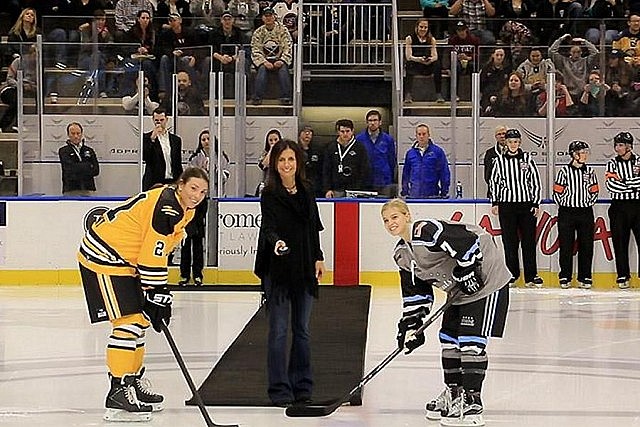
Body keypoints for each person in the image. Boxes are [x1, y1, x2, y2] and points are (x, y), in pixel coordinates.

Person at [77, 167, 209, 422]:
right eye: (193, 188)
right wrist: (157, 291)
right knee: (128, 322)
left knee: (140, 321)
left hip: (124, 260)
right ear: (180, 185)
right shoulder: (168, 207)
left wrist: (159, 294)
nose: (197, 195)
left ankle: (131, 381)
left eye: (202, 192)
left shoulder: (184, 208)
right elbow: (152, 255)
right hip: (104, 257)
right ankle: (118, 392)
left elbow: (158, 252)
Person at [381, 198, 510, 427]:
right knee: (448, 339)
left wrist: (467, 268)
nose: (391, 223)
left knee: (470, 341)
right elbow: (416, 295)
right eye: (386, 220)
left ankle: (472, 400)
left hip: (487, 281)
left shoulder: (426, 230)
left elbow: (469, 241)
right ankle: (454, 393)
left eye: (395, 217)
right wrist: (411, 326)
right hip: (458, 292)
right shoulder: (402, 255)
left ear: (407, 216)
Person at [253, 139, 326, 407]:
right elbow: (269, 228)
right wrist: (278, 244)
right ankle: (279, 389)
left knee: (302, 330)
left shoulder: (307, 190)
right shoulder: (269, 193)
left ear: (298, 162)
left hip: (305, 266)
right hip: (278, 269)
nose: (286, 165)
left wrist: (318, 257)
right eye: (282, 160)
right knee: (279, 330)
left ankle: (302, 386)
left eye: (291, 160)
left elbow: (312, 228)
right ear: (275, 163)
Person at [489, 128, 543, 288]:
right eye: (511, 142)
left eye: (516, 142)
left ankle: (531, 276)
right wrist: (495, 202)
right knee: (509, 241)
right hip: (507, 206)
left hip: (526, 206)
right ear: (506, 142)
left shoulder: (527, 159)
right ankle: (511, 274)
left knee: (528, 241)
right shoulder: (499, 161)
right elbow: (494, 182)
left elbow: (535, 181)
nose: (513, 144)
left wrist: (535, 203)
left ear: (519, 143)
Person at [179, 129, 230, 286]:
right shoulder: (195, 158)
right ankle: (184, 274)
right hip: (191, 202)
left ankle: (198, 274)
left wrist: (213, 170)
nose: (206, 142)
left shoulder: (221, 157)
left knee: (198, 238)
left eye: (208, 139)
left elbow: (225, 176)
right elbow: (188, 178)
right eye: (203, 139)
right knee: (187, 238)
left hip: (206, 200)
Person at [553, 140, 599, 289]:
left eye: (586, 152)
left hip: (585, 212)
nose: (585, 155)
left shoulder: (590, 171)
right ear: (574, 154)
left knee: (586, 245)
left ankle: (585, 276)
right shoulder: (564, 171)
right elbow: (557, 193)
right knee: (566, 245)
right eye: (582, 152)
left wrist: (586, 202)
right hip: (567, 212)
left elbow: (594, 191)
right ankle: (565, 276)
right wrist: (567, 203)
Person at [605, 131, 640, 289]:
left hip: (637, 206)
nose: (617, 148)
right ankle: (622, 275)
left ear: (629, 147)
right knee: (620, 243)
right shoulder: (612, 163)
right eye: (616, 145)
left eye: (620, 145)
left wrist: (624, 181)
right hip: (618, 207)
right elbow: (612, 185)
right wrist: (632, 183)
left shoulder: (639, 161)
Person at [250, 7, 293, 105]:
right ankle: (257, 97)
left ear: (275, 17)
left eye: (270, 16)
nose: (268, 18)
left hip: (280, 60)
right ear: (263, 18)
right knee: (261, 69)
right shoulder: (258, 32)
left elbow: (288, 46)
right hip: (264, 60)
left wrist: (282, 60)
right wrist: (264, 61)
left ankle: (286, 97)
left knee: (283, 70)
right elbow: (255, 49)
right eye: (266, 16)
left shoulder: (283, 30)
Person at [322, 118, 371, 198]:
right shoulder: (331, 147)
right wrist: (327, 189)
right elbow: (326, 169)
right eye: (342, 131)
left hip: (354, 190)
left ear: (352, 131)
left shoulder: (359, 147)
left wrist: (360, 188)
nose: (345, 134)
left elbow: (364, 169)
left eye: (348, 131)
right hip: (336, 189)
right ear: (338, 132)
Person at [400, 123, 450, 199]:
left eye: (424, 134)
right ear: (416, 136)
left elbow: (444, 172)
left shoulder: (437, 152)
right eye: (419, 134)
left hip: (432, 195)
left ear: (428, 135)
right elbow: (406, 174)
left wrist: (444, 192)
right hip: (414, 195)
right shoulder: (410, 153)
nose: (421, 137)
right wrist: (405, 191)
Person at [355, 110, 397, 197]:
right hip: (365, 181)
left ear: (380, 122)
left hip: (383, 180)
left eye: (375, 120)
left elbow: (392, 160)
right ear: (367, 122)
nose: (372, 123)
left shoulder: (388, 139)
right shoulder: (359, 139)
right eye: (370, 120)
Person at [142, 108, 184, 191]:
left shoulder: (176, 140)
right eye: (157, 120)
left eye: (162, 120)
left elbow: (178, 163)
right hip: (154, 181)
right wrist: (152, 139)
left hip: (172, 181)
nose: (159, 123)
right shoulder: (147, 138)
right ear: (153, 120)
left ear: (166, 119)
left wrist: (180, 180)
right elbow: (146, 157)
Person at [404, 18, 443, 104]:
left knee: (437, 64)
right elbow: (408, 56)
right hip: (415, 63)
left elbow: (435, 56)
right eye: (421, 27)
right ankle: (408, 94)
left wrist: (430, 60)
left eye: (425, 27)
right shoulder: (410, 38)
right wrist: (419, 59)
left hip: (427, 64)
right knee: (409, 64)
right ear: (417, 27)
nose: (423, 29)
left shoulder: (431, 39)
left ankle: (439, 94)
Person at [58, 122, 100, 196]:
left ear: (82, 134)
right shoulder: (64, 151)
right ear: (68, 135)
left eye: (78, 133)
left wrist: (77, 168)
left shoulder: (89, 150)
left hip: (88, 189)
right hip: (71, 190)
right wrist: (87, 166)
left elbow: (96, 170)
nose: (76, 136)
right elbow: (69, 170)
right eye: (73, 133)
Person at [297, 125, 324, 198]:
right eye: (305, 131)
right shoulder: (295, 149)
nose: (307, 134)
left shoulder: (318, 150)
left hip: (315, 186)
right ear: (299, 134)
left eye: (309, 132)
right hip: (299, 185)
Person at [483, 125, 507, 198]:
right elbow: (487, 175)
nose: (502, 136)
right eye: (499, 134)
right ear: (496, 137)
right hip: (494, 193)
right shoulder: (490, 153)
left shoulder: (517, 152)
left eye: (504, 133)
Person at [256, 129, 283, 196]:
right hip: (268, 184)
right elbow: (263, 165)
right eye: (270, 140)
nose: (273, 142)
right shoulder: (265, 153)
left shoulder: (284, 154)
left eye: (276, 139)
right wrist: (271, 150)